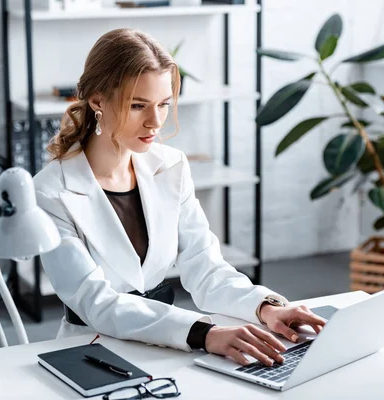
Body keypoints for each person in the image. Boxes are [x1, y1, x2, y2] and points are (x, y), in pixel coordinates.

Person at [33, 28, 326, 367]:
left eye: (164, 105)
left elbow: (205, 266)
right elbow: (96, 303)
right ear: (98, 101)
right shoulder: (50, 191)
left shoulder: (171, 166)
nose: (155, 122)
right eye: (138, 105)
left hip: (165, 343)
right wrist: (203, 332)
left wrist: (266, 307)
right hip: (91, 351)